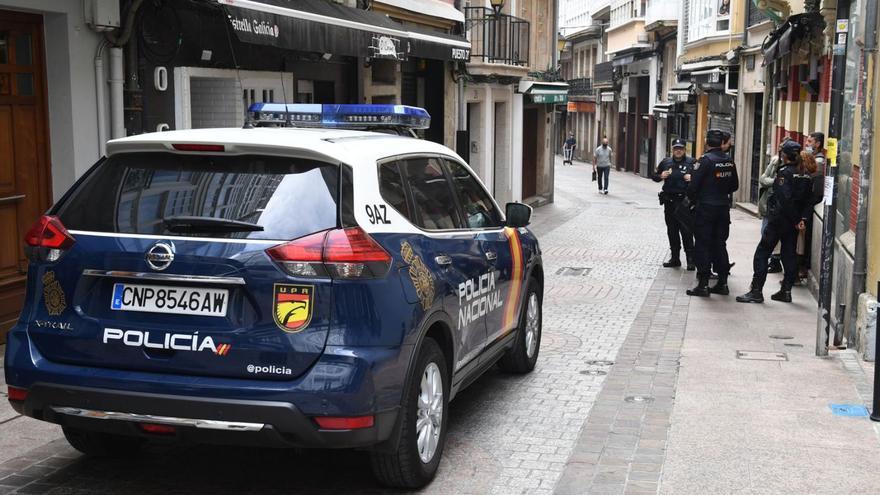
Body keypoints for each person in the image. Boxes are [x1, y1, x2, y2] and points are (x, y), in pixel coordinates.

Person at [737, 141, 818, 303]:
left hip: (780, 220)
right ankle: (786, 291)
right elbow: (810, 200)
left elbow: (785, 199)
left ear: (785, 156)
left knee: (762, 253)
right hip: (794, 223)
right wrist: (802, 219)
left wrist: (797, 219)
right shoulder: (806, 175)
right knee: (788, 255)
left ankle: (756, 290)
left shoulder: (784, 173)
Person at [685, 129, 739, 297]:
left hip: (706, 209)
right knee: (720, 245)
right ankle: (722, 283)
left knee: (702, 245)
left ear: (707, 142)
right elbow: (734, 186)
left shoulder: (705, 161)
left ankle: (703, 284)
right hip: (723, 208)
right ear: (721, 142)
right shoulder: (729, 161)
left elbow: (693, 187)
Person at [653, 138, 696, 270]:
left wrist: (693, 178)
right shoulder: (666, 162)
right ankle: (675, 258)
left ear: (685, 150)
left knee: (686, 231)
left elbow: (702, 179)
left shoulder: (692, 162)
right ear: (672, 150)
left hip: (684, 203)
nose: (678, 151)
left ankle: (690, 260)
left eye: (681, 148)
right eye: (676, 148)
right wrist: (661, 176)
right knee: (672, 231)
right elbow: (654, 176)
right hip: (669, 202)